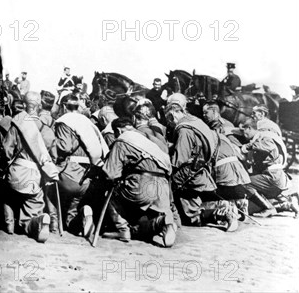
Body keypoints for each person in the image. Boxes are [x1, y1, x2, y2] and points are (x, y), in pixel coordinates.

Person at [165, 93, 238, 231]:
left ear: (173, 114)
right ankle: (221, 208)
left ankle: (223, 210)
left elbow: (180, 159)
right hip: (201, 167)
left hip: (189, 171)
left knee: (168, 183)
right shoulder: (194, 120)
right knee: (190, 208)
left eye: (169, 119)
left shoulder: (184, 130)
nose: (170, 123)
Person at [100, 117, 177, 247]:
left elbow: (111, 174)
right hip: (163, 188)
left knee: (110, 191)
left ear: (118, 130)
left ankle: (122, 230)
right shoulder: (148, 138)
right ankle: (162, 222)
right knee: (141, 224)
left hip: (143, 185)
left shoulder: (123, 140)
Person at [1, 91, 59, 242]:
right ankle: (35, 223)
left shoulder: (17, 124)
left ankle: (9, 225)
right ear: (39, 106)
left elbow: (7, 149)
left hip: (15, 173)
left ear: (24, 105)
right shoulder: (46, 129)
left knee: (6, 193)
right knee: (33, 205)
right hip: (34, 178)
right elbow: (53, 157)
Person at [52, 96, 108, 237]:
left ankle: (52, 224)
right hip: (89, 175)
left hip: (71, 172)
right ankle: (84, 213)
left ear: (64, 106)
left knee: (46, 183)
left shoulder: (64, 121)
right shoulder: (88, 123)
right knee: (74, 207)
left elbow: (64, 148)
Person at [241, 119, 298, 218]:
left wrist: (247, 146)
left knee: (244, 183)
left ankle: (269, 208)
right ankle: (289, 202)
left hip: (273, 177)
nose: (243, 134)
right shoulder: (263, 136)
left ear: (249, 128)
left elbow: (269, 146)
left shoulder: (264, 137)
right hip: (275, 176)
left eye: (243, 131)